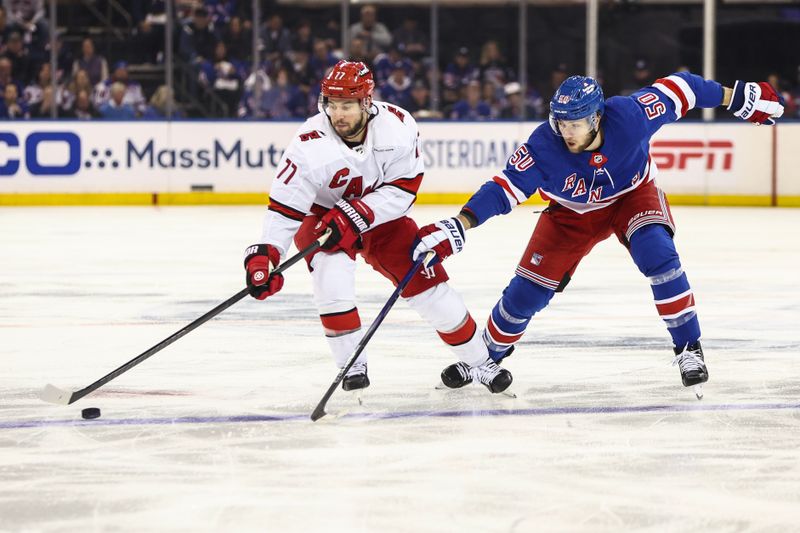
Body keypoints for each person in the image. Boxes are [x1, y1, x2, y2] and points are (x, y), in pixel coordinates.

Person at [413, 72, 784, 398]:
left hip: (632, 196)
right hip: (571, 216)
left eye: (575, 123)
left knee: (658, 256)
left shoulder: (631, 116)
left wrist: (735, 97)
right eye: (561, 122)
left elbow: (683, 87)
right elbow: (503, 188)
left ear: (597, 118)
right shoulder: (544, 145)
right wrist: (462, 221)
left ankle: (689, 348)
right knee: (526, 294)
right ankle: (485, 357)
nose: (566, 132)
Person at [243, 60, 511, 394]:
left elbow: (405, 190)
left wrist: (358, 213)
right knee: (331, 278)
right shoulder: (308, 144)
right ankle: (351, 364)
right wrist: (267, 254)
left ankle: (478, 360)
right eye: (332, 105)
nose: (338, 114)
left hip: (382, 218)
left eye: (347, 106)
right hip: (322, 219)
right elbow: (285, 208)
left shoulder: (398, 127)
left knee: (428, 284)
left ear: (366, 103)